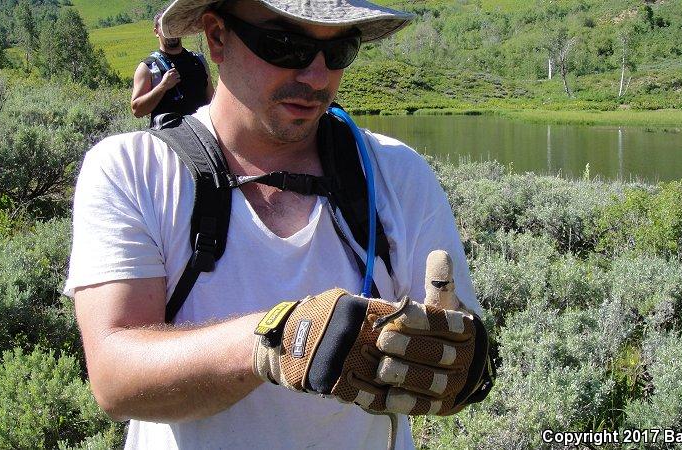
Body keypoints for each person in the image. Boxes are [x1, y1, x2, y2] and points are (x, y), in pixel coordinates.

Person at [65, 1, 490, 449]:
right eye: (285, 45)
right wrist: (272, 343)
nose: (316, 77)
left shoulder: (397, 174)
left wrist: (460, 366)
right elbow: (115, 378)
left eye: (340, 50)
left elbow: (455, 358)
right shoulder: (131, 170)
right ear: (216, 37)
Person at [130, 9, 215, 126]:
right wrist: (163, 86)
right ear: (156, 32)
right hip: (169, 139)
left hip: (202, 134)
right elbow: (137, 110)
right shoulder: (148, 68)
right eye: (165, 26)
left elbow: (211, 100)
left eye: (174, 25)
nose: (170, 31)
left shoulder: (198, 60)